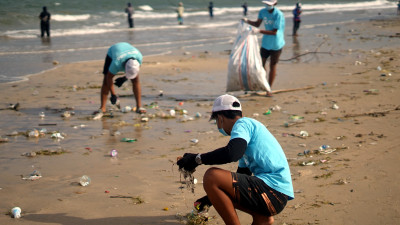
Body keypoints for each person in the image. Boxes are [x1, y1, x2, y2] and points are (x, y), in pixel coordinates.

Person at [177, 94, 294, 225]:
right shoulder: (248, 136)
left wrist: (197, 159)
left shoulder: (242, 124)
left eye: (216, 121)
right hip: (276, 197)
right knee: (261, 219)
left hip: (272, 190)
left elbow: (232, 153)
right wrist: (208, 200)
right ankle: (263, 217)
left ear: (220, 118)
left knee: (212, 176)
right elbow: (241, 177)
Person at [243, 0, 285, 97]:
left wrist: (259, 31)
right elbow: (257, 23)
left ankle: (269, 89)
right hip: (266, 43)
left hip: (276, 44)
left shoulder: (278, 15)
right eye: (266, 4)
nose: (267, 6)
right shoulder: (262, 12)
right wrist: (247, 21)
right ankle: (263, 83)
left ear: (274, 4)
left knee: (272, 65)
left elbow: (274, 32)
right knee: (261, 64)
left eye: (269, 4)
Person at [93, 42, 145, 119]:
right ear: (124, 66)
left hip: (127, 49)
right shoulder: (116, 63)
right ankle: (102, 108)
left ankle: (139, 107)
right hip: (113, 52)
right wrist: (113, 95)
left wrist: (125, 78)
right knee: (105, 81)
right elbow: (109, 78)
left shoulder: (139, 58)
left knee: (136, 80)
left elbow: (134, 71)